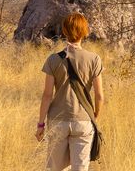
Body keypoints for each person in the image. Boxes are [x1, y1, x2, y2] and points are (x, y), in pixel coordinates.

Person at [36, 13, 104, 171]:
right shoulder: (94, 59)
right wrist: (94, 116)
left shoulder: (53, 60)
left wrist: (40, 124)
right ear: (85, 32)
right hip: (84, 120)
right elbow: (99, 96)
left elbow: (47, 96)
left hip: (58, 121)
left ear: (64, 31)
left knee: (55, 168)